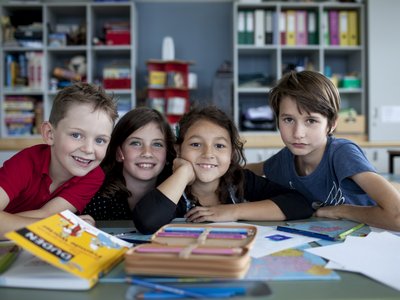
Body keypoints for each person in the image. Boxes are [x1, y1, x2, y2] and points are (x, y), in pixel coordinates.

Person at [247, 70, 400, 231]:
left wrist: (343, 210)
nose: (298, 133)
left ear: (332, 123)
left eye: (311, 120)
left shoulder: (342, 153)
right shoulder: (285, 158)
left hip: (377, 236)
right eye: (288, 119)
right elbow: (253, 169)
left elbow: (397, 216)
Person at [133, 105, 314, 234]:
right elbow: (147, 222)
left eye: (219, 146)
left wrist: (232, 212)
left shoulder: (240, 180)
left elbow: (299, 204)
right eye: (196, 144)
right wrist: (183, 173)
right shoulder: (171, 185)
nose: (208, 153)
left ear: (232, 154)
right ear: (178, 149)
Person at [0, 82, 118, 237]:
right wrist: (64, 226)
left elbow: (46, 214)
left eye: (100, 140)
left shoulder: (93, 175)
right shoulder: (25, 163)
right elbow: (51, 221)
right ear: (50, 134)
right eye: (76, 135)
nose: (89, 149)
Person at [83, 107, 176, 220]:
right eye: (136, 143)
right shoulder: (97, 200)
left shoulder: (179, 197)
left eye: (157, 144)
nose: (147, 153)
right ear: (118, 153)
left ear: (167, 154)